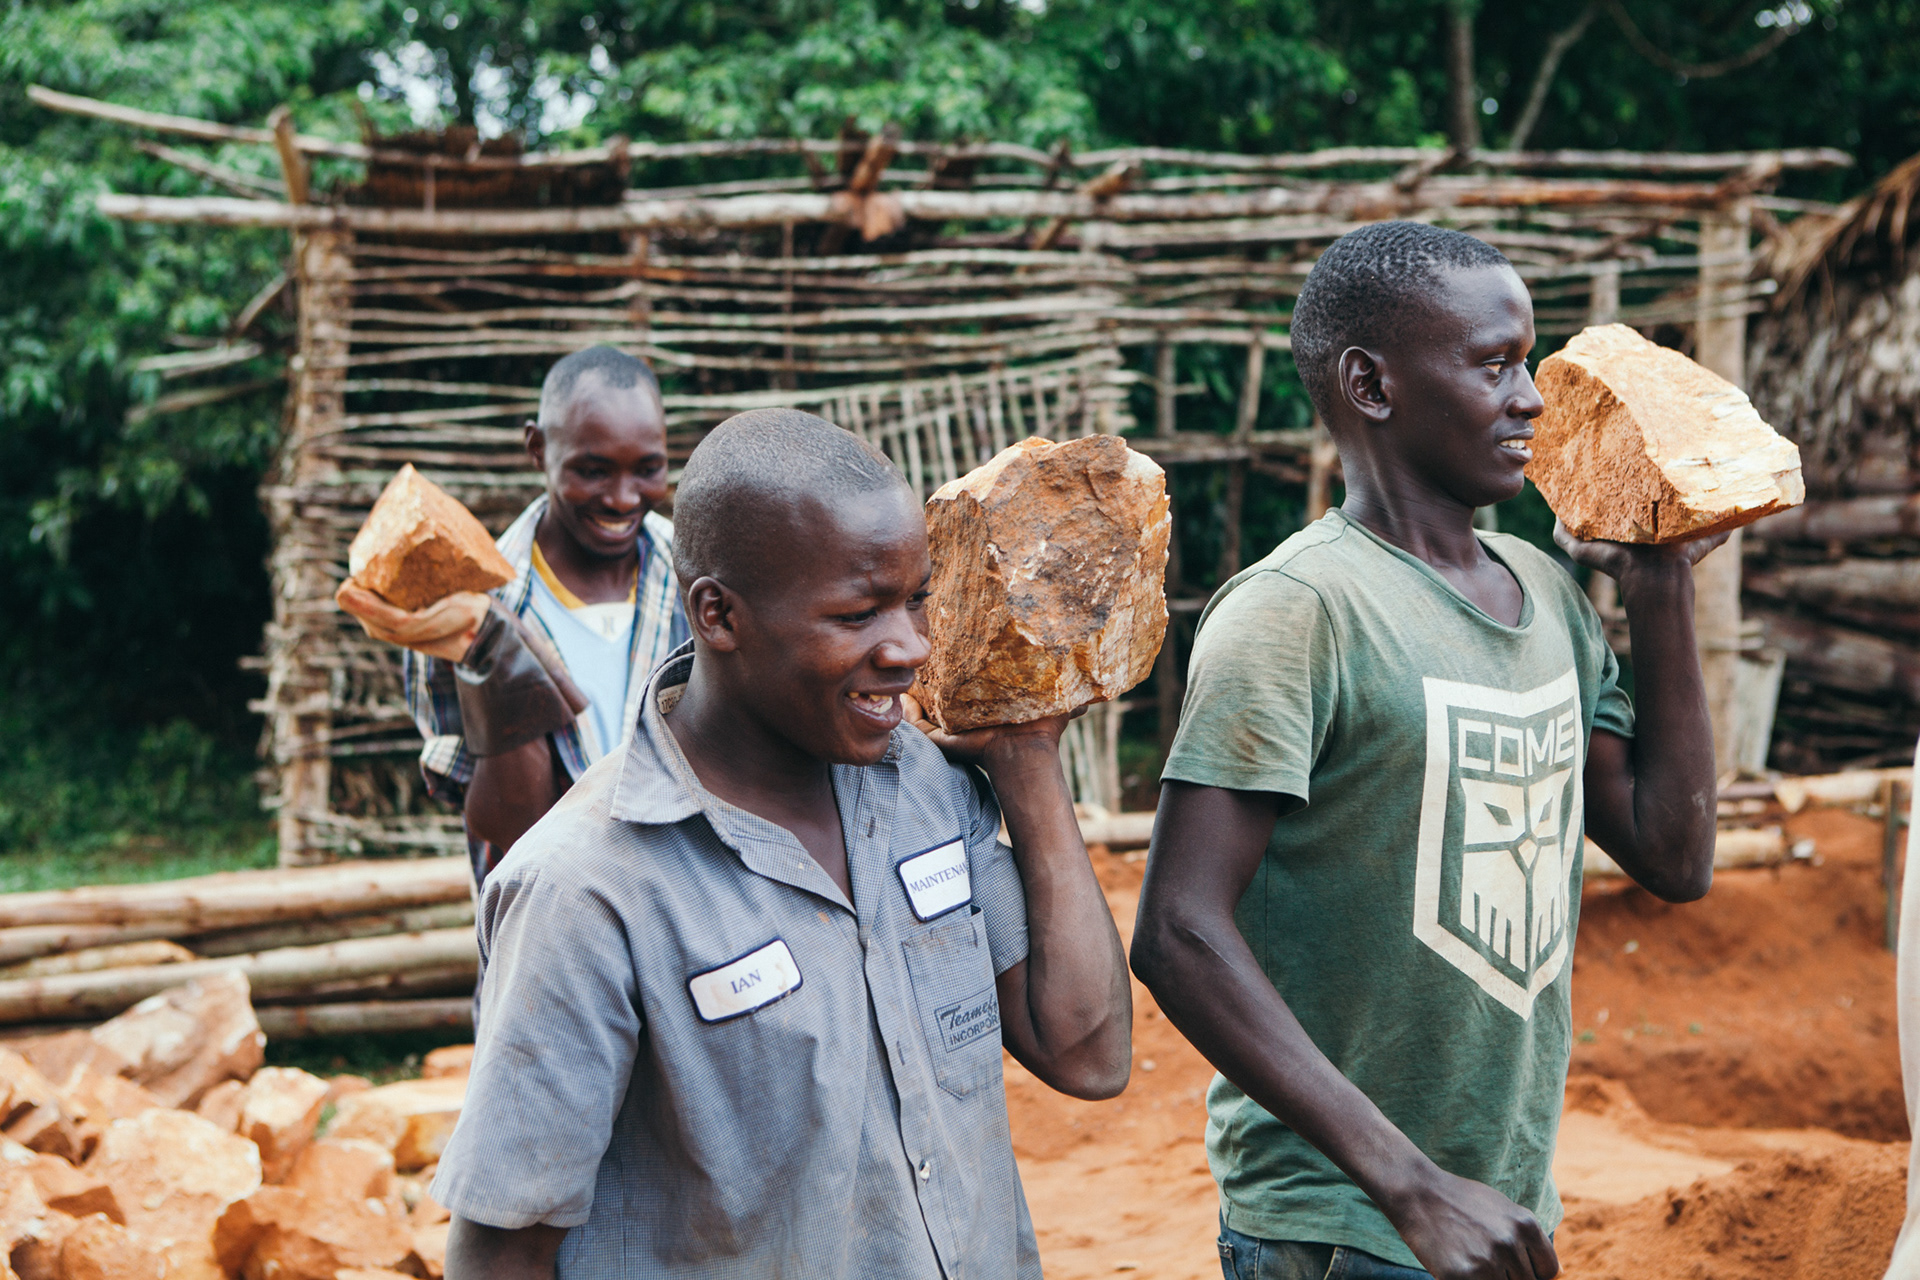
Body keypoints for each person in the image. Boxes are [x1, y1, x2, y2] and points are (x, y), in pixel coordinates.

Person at [1130, 221, 1725, 1280]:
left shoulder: (1545, 591)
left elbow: (1674, 856)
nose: (1532, 397)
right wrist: (1408, 1182)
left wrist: (1659, 577)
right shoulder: (1298, 610)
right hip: (1347, 1218)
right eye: (1494, 363)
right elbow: (1178, 929)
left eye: (1528, 360)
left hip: (1500, 1203)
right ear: (1371, 383)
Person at [431, 408, 1132, 1279]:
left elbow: (1089, 1054)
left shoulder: (920, 786)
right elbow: (503, 1248)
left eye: (916, 599)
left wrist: (1026, 761)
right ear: (718, 615)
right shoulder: (586, 891)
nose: (910, 646)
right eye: (856, 614)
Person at [337, 345, 686, 882]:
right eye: (592, 471)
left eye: (648, 469)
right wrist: (494, 651)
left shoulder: (700, 584)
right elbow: (511, 826)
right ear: (536, 448)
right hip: (551, 942)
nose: (622, 499)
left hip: (687, 938)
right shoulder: (461, 610)